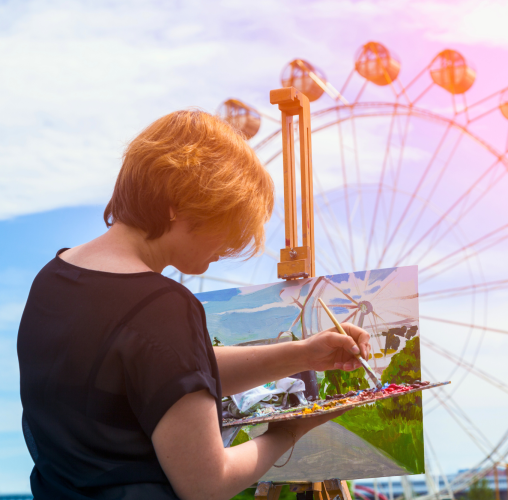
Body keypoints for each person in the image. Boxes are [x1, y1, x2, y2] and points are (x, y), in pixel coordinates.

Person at [17, 110, 371, 500]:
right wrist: (290, 431)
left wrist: (302, 355)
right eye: (227, 221)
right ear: (179, 203)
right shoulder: (161, 305)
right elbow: (206, 484)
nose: (229, 247)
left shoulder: (52, 279)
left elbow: (164, 373)